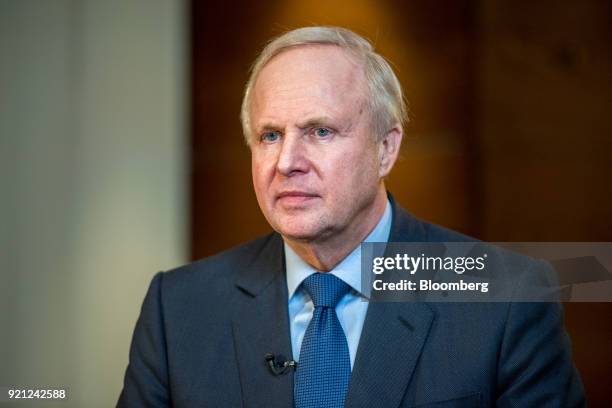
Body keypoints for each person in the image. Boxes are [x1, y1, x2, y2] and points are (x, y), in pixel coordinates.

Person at [118, 26, 585, 407]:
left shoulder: (508, 298)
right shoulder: (177, 308)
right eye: (270, 136)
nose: (287, 162)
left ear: (386, 149)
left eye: (319, 131)